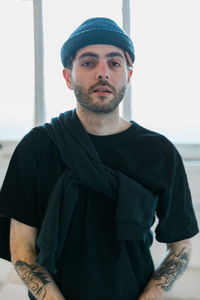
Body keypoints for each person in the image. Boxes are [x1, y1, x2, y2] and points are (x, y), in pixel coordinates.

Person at [0, 17, 199, 300]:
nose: (103, 73)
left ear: (129, 75)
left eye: (114, 63)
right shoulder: (37, 147)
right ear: (68, 77)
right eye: (89, 62)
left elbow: (180, 246)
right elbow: (22, 251)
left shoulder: (159, 152)